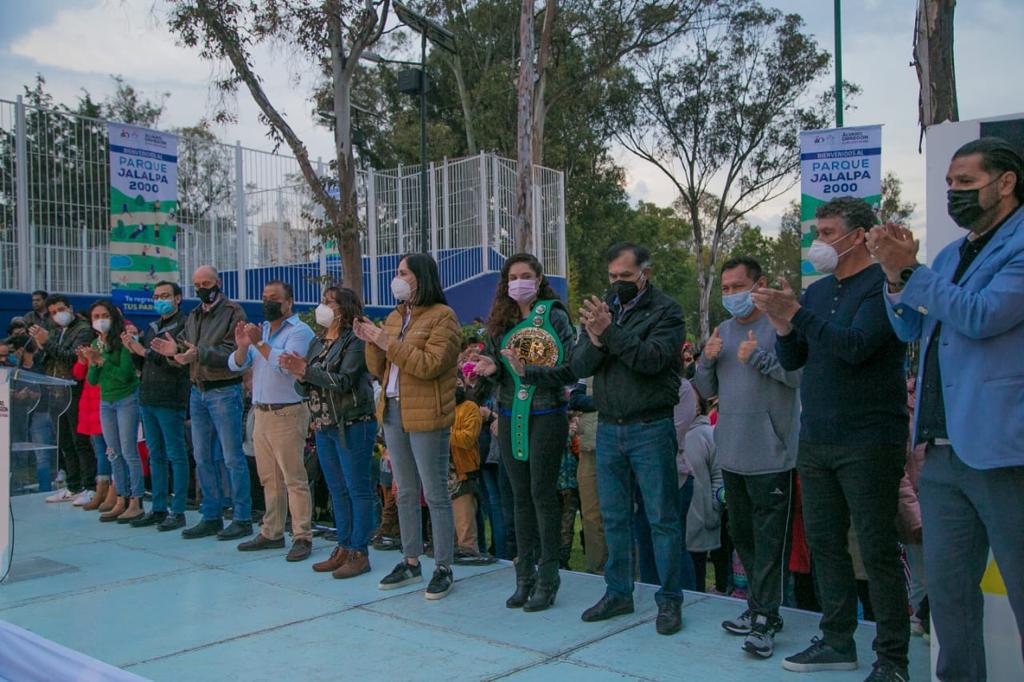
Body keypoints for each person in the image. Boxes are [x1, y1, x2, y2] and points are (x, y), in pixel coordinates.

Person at [868, 137, 1024, 681]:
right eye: (949, 184)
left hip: (1005, 451)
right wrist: (894, 277)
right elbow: (911, 326)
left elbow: (983, 316)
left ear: (1005, 183)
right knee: (951, 602)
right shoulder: (951, 254)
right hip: (940, 453)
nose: (954, 193)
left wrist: (913, 272)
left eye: (966, 182)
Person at [752, 196, 910, 680]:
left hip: (870, 438)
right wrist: (782, 324)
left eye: (826, 232)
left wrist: (795, 314)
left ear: (859, 234)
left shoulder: (881, 287)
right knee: (824, 543)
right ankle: (837, 639)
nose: (818, 242)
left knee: (878, 549)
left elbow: (857, 346)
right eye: (815, 232)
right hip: (817, 438)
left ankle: (893, 659)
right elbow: (796, 357)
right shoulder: (817, 294)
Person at [570, 242, 687, 636]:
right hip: (609, 428)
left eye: (625, 276)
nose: (617, 284)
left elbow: (652, 360)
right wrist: (598, 337)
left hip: (650, 428)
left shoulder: (667, 311)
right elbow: (580, 364)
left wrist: (610, 333)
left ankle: (669, 599)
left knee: (662, 520)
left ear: (645, 274)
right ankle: (618, 592)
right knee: (614, 517)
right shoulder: (604, 310)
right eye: (612, 277)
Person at [695, 256, 801, 659]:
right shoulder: (721, 330)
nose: (731, 295)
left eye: (739, 286)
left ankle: (766, 618)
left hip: (772, 455)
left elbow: (796, 377)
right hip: (732, 455)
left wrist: (759, 357)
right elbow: (704, 388)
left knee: (771, 542)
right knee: (743, 537)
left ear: (758, 285)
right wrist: (706, 358)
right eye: (725, 288)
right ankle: (757, 609)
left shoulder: (779, 325)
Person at [472, 253, 576, 612]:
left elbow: (569, 369)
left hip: (546, 413)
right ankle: (524, 576)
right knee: (519, 497)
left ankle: (548, 577)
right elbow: (498, 369)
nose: (519, 281)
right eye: (513, 276)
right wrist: (491, 368)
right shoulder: (500, 321)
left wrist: (529, 371)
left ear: (539, 278)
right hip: (508, 413)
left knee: (542, 495)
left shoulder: (556, 317)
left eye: (526, 275)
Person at [354, 253, 462, 600]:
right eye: (397, 272)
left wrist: (388, 343)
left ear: (421, 277)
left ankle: (443, 565)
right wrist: (371, 340)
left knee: (435, 492)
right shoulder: (396, 316)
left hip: (427, 412)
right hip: (393, 408)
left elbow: (429, 365)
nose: (397, 277)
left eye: (403, 273)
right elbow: (377, 366)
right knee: (403, 491)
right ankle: (411, 560)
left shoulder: (443, 317)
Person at [151, 266, 252, 541]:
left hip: (224, 390)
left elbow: (234, 351)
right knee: (202, 456)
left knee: (231, 457)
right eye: (197, 284)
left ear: (218, 282)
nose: (202, 288)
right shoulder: (195, 315)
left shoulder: (233, 312)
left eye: (206, 282)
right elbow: (188, 349)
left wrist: (199, 354)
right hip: (198, 391)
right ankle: (211, 515)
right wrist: (178, 354)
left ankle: (242, 517)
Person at [284, 287, 377, 578]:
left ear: (344, 307)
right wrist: (299, 373)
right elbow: (305, 385)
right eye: (323, 301)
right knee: (337, 489)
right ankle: (343, 545)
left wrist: (307, 372)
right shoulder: (318, 341)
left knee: (357, 489)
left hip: (352, 422)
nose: (322, 306)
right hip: (324, 424)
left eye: (329, 302)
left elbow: (345, 380)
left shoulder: (355, 339)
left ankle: (360, 551)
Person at [229, 281, 315, 561]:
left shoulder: (300, 331)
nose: (268, 302)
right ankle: (272, 531)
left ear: (289, 302)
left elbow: (286, 363)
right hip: (261, 412)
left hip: (287, 412)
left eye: (274, 298)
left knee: (294, 478)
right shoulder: (261, 330)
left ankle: (302, 535)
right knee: (269, 478)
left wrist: (259, 343)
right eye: (264, 297)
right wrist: (244, 346)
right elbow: (236, 364)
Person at [120, 282, 191, 531]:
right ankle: (158, 507)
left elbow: (176, 361)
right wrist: (132, 349)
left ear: (178, 298)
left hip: (170, 398)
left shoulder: (184, 325)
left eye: (166, 296)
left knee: (176, 454)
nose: (160, 300)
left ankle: (179, 509)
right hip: (148, 397)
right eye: (157, 296)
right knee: (155, 455)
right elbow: (144, 362)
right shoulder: (152, 327)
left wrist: (143, 352)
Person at [82, 300, 145, 523]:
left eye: (103, 315)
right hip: (105, 402)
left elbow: (126, 375)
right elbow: (92, 380)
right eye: (95, 316)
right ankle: (120, 498)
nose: (99, 320)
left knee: (129, 451)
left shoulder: (123, 341)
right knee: (113, 452)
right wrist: (92, 362)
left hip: (126, 399)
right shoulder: (95, 342)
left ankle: (136, 500)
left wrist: (102, 361)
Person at [28, 294, 94, 503]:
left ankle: (89, 486)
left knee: (80, 441)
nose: (58, 315)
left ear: (70, 308)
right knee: (64, 442)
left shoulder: (83, 329)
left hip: (74, 391)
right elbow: (41, 361)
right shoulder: (55, 330)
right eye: (53, 313)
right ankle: (73, 486)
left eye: (61, 310)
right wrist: (40, 345)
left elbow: (71, 358)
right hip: (55, 393)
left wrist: (47, 342)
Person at [682, 386, 722, 591]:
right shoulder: (667, 433)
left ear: (699, 407)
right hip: (675, 521)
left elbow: (718, 476)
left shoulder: (708, 434)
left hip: (700, 520)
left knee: (696, 576)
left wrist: (713, 508)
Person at [569, 378, 606, 575]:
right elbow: (574, 400)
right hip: (588, 448)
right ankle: (596, 568)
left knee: (617, 514)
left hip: (617, 446)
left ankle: (621, 570)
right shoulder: (587, 365)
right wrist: (604, 401)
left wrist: (591, 401)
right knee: (590, 515)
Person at [448, 372, 483, 559]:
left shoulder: (469, 407)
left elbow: (468, 438)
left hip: (463, 474)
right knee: (448, 531)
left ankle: (470, 556)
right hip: (441, 478)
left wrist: (444, 432)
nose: (455, 387)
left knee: (465, 529)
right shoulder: (439, 410)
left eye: (458, 383)